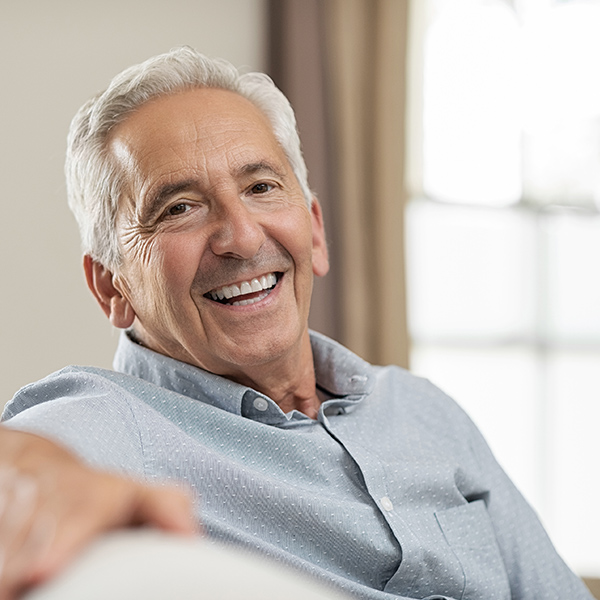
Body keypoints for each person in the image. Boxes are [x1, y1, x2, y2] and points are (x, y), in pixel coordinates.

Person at [0, 47, 593, 600]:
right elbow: (24, 461)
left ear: (313, 231)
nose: (242, 236)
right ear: (113, 286)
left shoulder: (423, 410)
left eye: (261, 187)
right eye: (179, 207)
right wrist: (35, 479)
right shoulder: (111, 419)